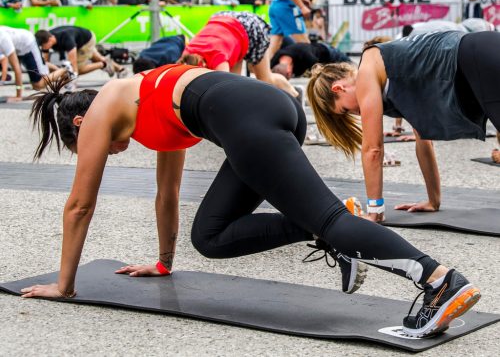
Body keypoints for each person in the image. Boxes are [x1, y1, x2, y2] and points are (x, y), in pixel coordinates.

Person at [22, 65, 481, 338]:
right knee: (211, 236)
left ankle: (440, 280)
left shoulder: (104, 106)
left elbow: (80, 205)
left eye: (78, 143)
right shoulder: (144, 102)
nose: (92, 151)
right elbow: (168, 193)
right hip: (261, 110)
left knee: (330, 218)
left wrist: (64, 287)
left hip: (247, 118)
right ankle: (322, 229)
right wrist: (163, 262)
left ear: (80, 122)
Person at [308, 30, 500, 220]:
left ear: (339, 88)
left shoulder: (367, 72)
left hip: (477, 55)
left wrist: (374, 211)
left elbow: (373, 149)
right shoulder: (391, 74)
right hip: (481, 51)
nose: (354, 113)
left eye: (344, 110)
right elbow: (423, 139)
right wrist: (433, 201)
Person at [178, 11, 298, 98]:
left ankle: (293, 93)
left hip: (249, 28)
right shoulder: (186, 56)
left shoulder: (218, 59)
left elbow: (223, 90)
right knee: (236, 83)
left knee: (265, 79)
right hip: (224, 22)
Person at [35, 26, 127, 80]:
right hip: (81, 39)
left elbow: (73, 62)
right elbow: (45, 61)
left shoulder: (66, 38)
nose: (43, 48)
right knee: (97, 57)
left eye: (43, 45)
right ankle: (120, 69)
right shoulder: (47, 37)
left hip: (86, 41)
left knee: (79, 69)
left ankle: (103, 64)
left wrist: (74, 74)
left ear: (50, 39)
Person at [0, 26, 66, 98]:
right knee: (36, 86)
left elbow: (16, 68)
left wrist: (18, 96)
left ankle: (64, 70)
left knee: (39, 85)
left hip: (29, 45)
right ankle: (45, 65)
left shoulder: (3, 40)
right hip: (19, 48)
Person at [271, 42, 351, 79]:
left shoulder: (305, 56)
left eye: (290, 76)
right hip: (316, 57)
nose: (292, 76)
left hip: (329, 54)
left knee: (351, 69)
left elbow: (319, 73)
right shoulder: (274, 60)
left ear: (288, 72)